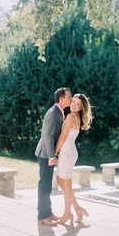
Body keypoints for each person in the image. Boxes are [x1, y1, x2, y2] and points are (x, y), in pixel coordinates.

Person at [35, 87, 72, 226]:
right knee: (44, 185)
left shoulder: (59, 112)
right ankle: (43, 216)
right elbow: (47, 137)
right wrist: (52, 156)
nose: (71, 98)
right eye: (69, 96)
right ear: (61, 99)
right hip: (45, 155)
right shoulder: (52, 113)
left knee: (47, 185)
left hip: (48, 154)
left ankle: (47, 212)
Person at [54, 93, 93, 224]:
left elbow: (62, 137)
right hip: (70, 151)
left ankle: (67, 214)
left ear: (82, 107)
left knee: (66, 185)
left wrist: (54, 154)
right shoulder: (76, 117)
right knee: (61, 182)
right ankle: (77, 209)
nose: (74, 106)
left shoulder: (71, 117)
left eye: (78, 105)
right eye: (73, 102)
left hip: (66, 152)